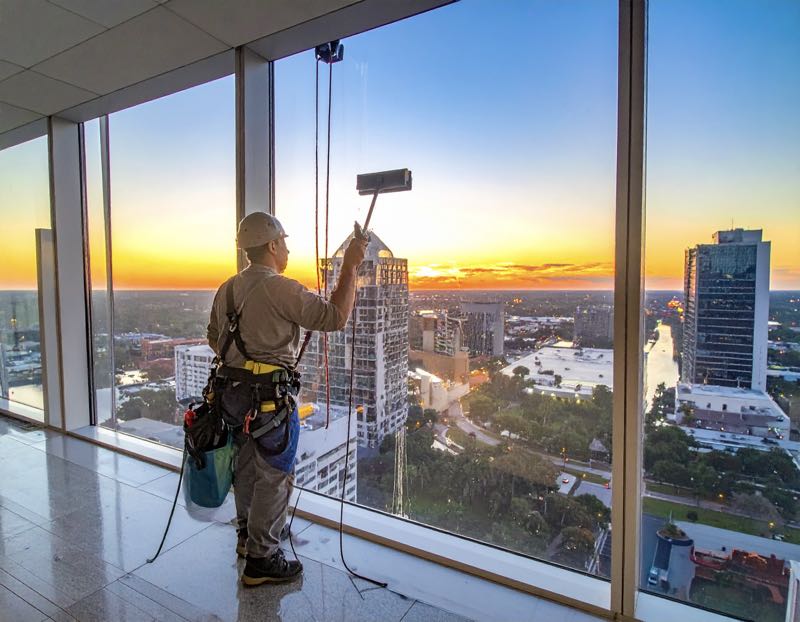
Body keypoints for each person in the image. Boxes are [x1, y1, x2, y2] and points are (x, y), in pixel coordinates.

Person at [207, 211, 367, 586]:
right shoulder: (281, 288)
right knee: (275, 474)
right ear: (274, 244)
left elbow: (215, 337)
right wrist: (350, 266)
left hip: (232, 399)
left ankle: (247, 538)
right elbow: (334, 317)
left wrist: (245, 361)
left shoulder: (227, 289)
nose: (289, 249)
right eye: (286, 243)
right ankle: (262, 558)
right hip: (269, 402)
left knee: (244, 470)